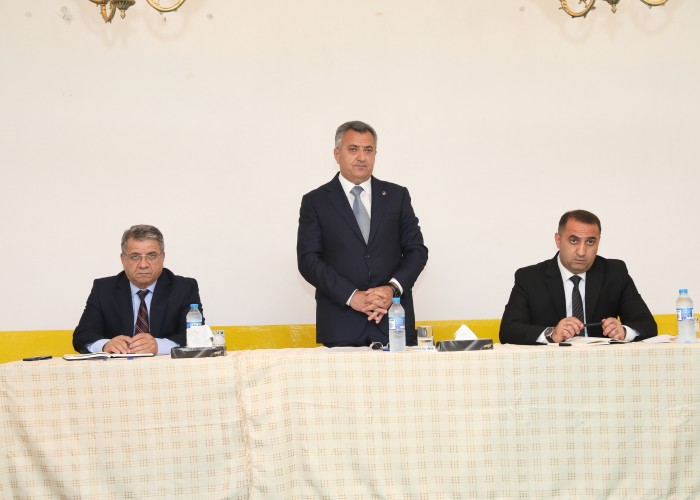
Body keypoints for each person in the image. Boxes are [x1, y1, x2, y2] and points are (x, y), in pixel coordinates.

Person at [297, 120, 428, 347]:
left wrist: (391, 290)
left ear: (375, 154)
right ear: (337, 154)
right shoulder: (315, 201)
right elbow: (308, 260)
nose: (361, 157)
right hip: (340, 325)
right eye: (353, 149)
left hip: (392, 324)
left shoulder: (397, 196)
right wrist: (352, 296)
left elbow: (417, 251)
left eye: (368, 150)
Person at [499, 209, 657, 345]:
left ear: (598, 242)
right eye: (574, 240)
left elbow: (647, 325)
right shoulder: (529, 278)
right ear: (558, 240)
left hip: (601, 363)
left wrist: (624, 331)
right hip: (550, 364)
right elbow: (508, 330)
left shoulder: (615, 272)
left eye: (590, 242)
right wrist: (551, 334)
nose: (581, 252)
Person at [73, 224, 203, 355]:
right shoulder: (103, 289)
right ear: (123, 259)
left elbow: (196, 335)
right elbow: (82, 336)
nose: (143, 265)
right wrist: (105, 345)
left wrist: (159, 346)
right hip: (119, 367)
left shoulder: (184, 288)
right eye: (135, 256)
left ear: (162, 257)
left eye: (151, 255)